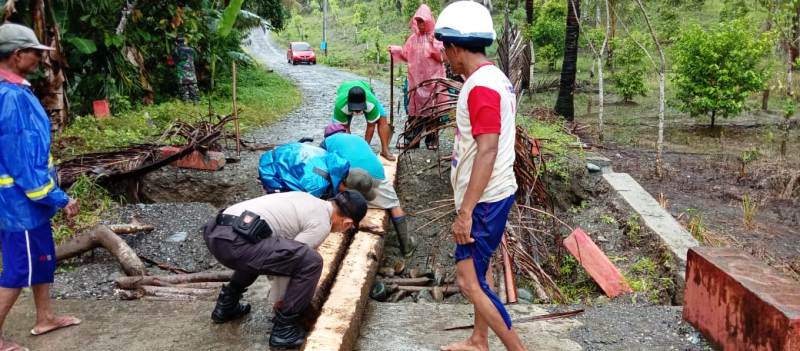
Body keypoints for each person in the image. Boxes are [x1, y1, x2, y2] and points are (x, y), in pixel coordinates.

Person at [434, 3, 525, 351]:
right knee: (481, 271)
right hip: (491, 194)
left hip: (484, 200)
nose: (446, 57)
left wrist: (466, 212)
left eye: (446, 49)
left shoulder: (481, 88)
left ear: (456, 47)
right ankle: (478, 339)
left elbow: (487, 149)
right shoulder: (493, 78)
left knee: (468, 279)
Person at [0, 23, 82, 351]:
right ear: (17, 55)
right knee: (20, 269)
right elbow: (23, 161)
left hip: (27, 203)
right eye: (35, 53)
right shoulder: (10, 98)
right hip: (20, 205)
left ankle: (44, 316)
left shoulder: (16, 90)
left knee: (41, 260)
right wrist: (58, 198)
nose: (40, 59)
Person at [204, 190, 367, 348]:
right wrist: (281, 299)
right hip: (235, 243)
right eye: (348, 228)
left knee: (261, 249)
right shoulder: (322, 223)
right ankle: (284, 330)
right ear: (347, 223)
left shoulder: (308, 199)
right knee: (312, 261)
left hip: (216, 232)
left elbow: (283, 254)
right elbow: (294, 261)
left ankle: (226, 306)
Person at [321, 124, 416, 256]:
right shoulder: (356, 138)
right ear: (344, 131)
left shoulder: (326, 142)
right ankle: (406, 247)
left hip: (349, 176)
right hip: (376, 174)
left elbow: (324, 165)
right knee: (394, 204)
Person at [388, 4, 446, 150]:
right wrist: (396, 50)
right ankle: (412, 140)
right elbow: (406, 54)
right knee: (414, 112)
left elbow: (442, 57)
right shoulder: (413, 39)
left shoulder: (436, 37)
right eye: (418, 21)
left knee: (433, 112)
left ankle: (432, 140)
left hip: (433, 81)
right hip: (416, 82)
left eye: (422, 21)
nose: (420, 24)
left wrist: (433, 45)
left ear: (428, 21)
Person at [257, 142, 378, 201]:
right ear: (345, 187)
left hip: (284, 152)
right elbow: (304, 206)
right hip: (271, 169)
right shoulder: (317, 185)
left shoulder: (336, 163)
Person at [331, 80, 396, 161]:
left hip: (367, 94)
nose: (357, 112)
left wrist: (365, 149)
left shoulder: (371, 102)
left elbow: (371, 126)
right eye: (354, 109)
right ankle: (346, 152)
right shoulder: (340, 106)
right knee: (339, 128)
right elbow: (345, 129)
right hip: (344, 95)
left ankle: (385, 150)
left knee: (382, 119)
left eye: (359, 108)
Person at [173, 36, 199, 103]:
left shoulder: (176, 51)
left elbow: (173, 62)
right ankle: (196, 103)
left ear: (176, 43)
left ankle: (186, 104)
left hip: (182, 74)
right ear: (184, 42)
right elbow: (196, 59)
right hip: (191, 73)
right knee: (194, 90)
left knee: (184, 92)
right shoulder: (191, 49)